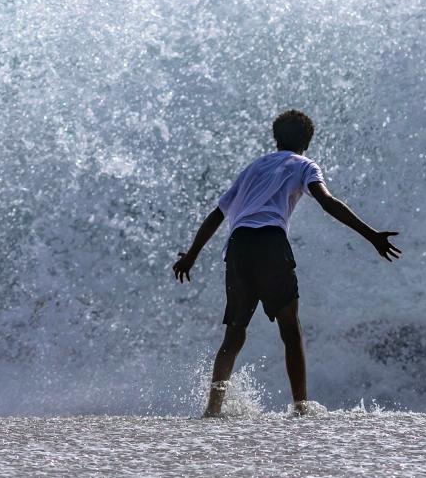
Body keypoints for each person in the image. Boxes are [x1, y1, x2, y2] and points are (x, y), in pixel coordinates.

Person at [172, 109, 402, 417]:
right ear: (307, 141)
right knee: (290, 330)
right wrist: (371, 234)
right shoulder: (304, 165)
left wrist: (191, 255)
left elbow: (218, 214)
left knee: (234, 334)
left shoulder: (253, 168)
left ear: (276, 137)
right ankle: (300, 407)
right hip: (269, 243)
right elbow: (327, 201)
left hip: (239, 247)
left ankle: (212, 409)